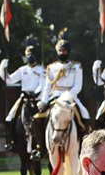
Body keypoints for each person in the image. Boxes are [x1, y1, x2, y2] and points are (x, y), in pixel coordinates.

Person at [32, 28, 90, 160]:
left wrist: (68, 96)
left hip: (71, 97)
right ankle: (40, 148)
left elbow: (78, 86)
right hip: (54, 96)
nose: (61, 53)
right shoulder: (51, 67)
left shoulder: (76, 66)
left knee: (85, 115)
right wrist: (43, 100)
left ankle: (84, 147)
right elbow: (47, 86)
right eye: (59, 50)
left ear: (68, 51)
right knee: (37, 118)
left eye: (64, 50)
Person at [0, 36, 44, 153]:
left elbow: (42, 85)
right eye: (28, 53)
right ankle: (11, 142)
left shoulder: (41, 70)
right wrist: (3, 69)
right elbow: (8, 80)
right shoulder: (22, 69)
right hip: (24, 98)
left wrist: (35, 94)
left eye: (32, 53)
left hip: (37, 99)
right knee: (9, 117)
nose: (30, 56)